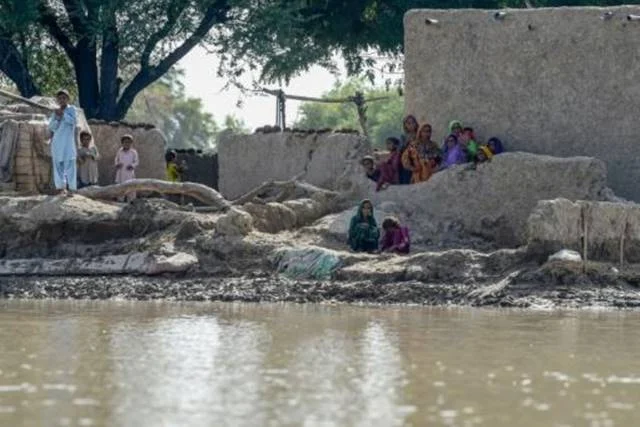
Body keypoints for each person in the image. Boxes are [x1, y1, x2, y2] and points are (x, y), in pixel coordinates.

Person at [48, 89, 77, 195]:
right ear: (57, 100)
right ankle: (60, 188)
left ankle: (72, 189)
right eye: (59, 98)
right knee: (58, 166)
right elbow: (51, 127)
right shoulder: (55, 112)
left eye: (64, 98)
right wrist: (58, 117)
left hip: (68, 144)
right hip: (57, 143)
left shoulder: (72, 109)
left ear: (68, 99)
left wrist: (63, 114)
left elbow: (73, 121)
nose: (62, 100)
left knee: (70, 165)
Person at [114, 134, 139, 201]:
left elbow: (136, 162)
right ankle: (120, 201)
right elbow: (116, 159)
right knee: (120, 188)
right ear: (122, 143)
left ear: (131, 143)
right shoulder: (120, 151)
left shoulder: (133, 152)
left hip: (129, 173)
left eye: (129, 142)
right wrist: (117, 164)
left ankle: (131, 201)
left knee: (131, 188)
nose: (127, 144)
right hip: (121, 173)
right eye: (125, 142)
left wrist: (132, 166)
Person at [399, 115, 419, 185]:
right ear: (405, 125)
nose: (411, 125)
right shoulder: (403, 136)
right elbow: (400, 150)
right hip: (407, 161)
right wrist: (407, 142)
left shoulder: (420, 134)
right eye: (408, 123)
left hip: (418, 159)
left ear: (416, 124)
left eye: (412, 123)